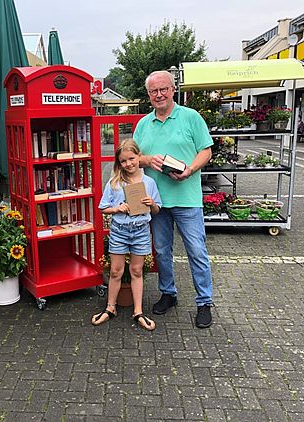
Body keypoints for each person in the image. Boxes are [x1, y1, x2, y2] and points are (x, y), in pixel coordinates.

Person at [134, 70, 215, 328]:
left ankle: (204, 302)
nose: (158, 95)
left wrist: (190, 169)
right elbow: (132, 158)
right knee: (161, 250)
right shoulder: (143, 124)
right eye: (153, 91)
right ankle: (168, 293)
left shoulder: (191, 117)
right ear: (149, 95)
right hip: (156, 201)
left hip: (187, 198)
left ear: (172, 90)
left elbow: (207, 151)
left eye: (163, 89)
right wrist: (148, 160)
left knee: (196, 251)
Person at [91, 139, 162, 331]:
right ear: (118, 163)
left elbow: (156, 210)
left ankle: (138, 310)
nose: (128, 164)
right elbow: (103, 208)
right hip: (120, 232)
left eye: (132, 158)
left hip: (140, 231)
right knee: (115, 271)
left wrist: (151, 204)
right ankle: (110, 307)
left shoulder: (149, 182)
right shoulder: (114, 183)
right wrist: (117, 209)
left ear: (139, 157)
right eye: (123, 161)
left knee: (137, 271)